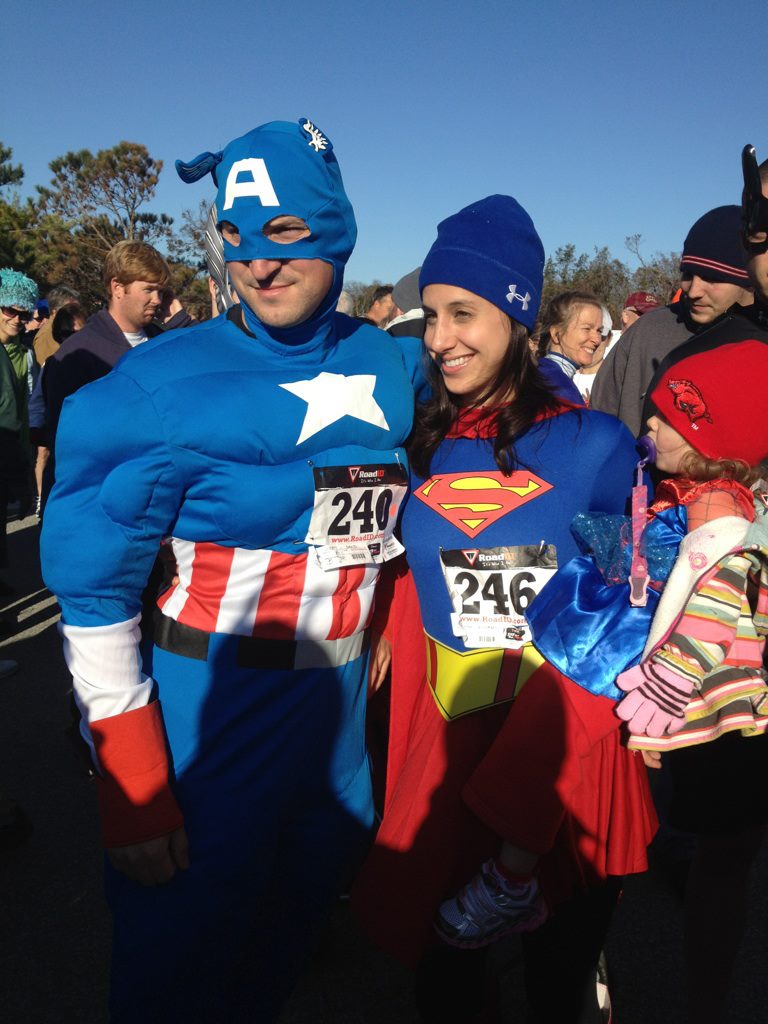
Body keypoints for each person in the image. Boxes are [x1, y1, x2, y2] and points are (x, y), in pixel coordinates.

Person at [41, 117, 418, 1024]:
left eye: (288, 232)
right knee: (174, 968)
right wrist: (131, 782)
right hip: (209, 716)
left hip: (332, 725)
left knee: (282, 949)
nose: (260, 262)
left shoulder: (392, 362)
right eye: (238, 236)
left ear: (337, 232)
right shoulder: (154, 386)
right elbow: (92, 594)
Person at [353, 196, 656, 1024]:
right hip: (452, 736)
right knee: (445, 983)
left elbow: (634, 606)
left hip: (564, 750)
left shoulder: (595, 445)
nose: (440, 336)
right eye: (431, 316)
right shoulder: (420, 442)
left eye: (465, 314)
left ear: (521, 319)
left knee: (558, 981)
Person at [529, 337, 768, 1024]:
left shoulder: (715, 527)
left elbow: (698, 619)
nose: (648, 428)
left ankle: (690, 995)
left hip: (711, 717)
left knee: (705, 849)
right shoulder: (700, 500)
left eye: (667, 419)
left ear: (713, 438)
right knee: (713, 853)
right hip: (719, 716)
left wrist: (657, 697)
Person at [591, 205, 754, 435]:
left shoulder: (759, 345)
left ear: (748, 279)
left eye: (712, 277)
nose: (694, 290)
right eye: (688, 274)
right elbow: (599, 422)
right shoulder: (647, 333)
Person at [534, 289, 603, 404]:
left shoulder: (550, 375)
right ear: (556, 333)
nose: (597, 340)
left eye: (599, 330)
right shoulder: (553, 385)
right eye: (587, 328)